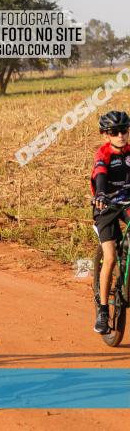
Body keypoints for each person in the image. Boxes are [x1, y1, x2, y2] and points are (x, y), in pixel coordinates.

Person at [91, 110, 130, 334]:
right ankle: (103, 311)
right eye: (114, 132)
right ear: (106, 135)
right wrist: (101, 193)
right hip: (105, 207)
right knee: (110, 256)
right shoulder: (103, 154)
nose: (120, 136)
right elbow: (101, 174)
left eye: (124, 131)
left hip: (128, 204)